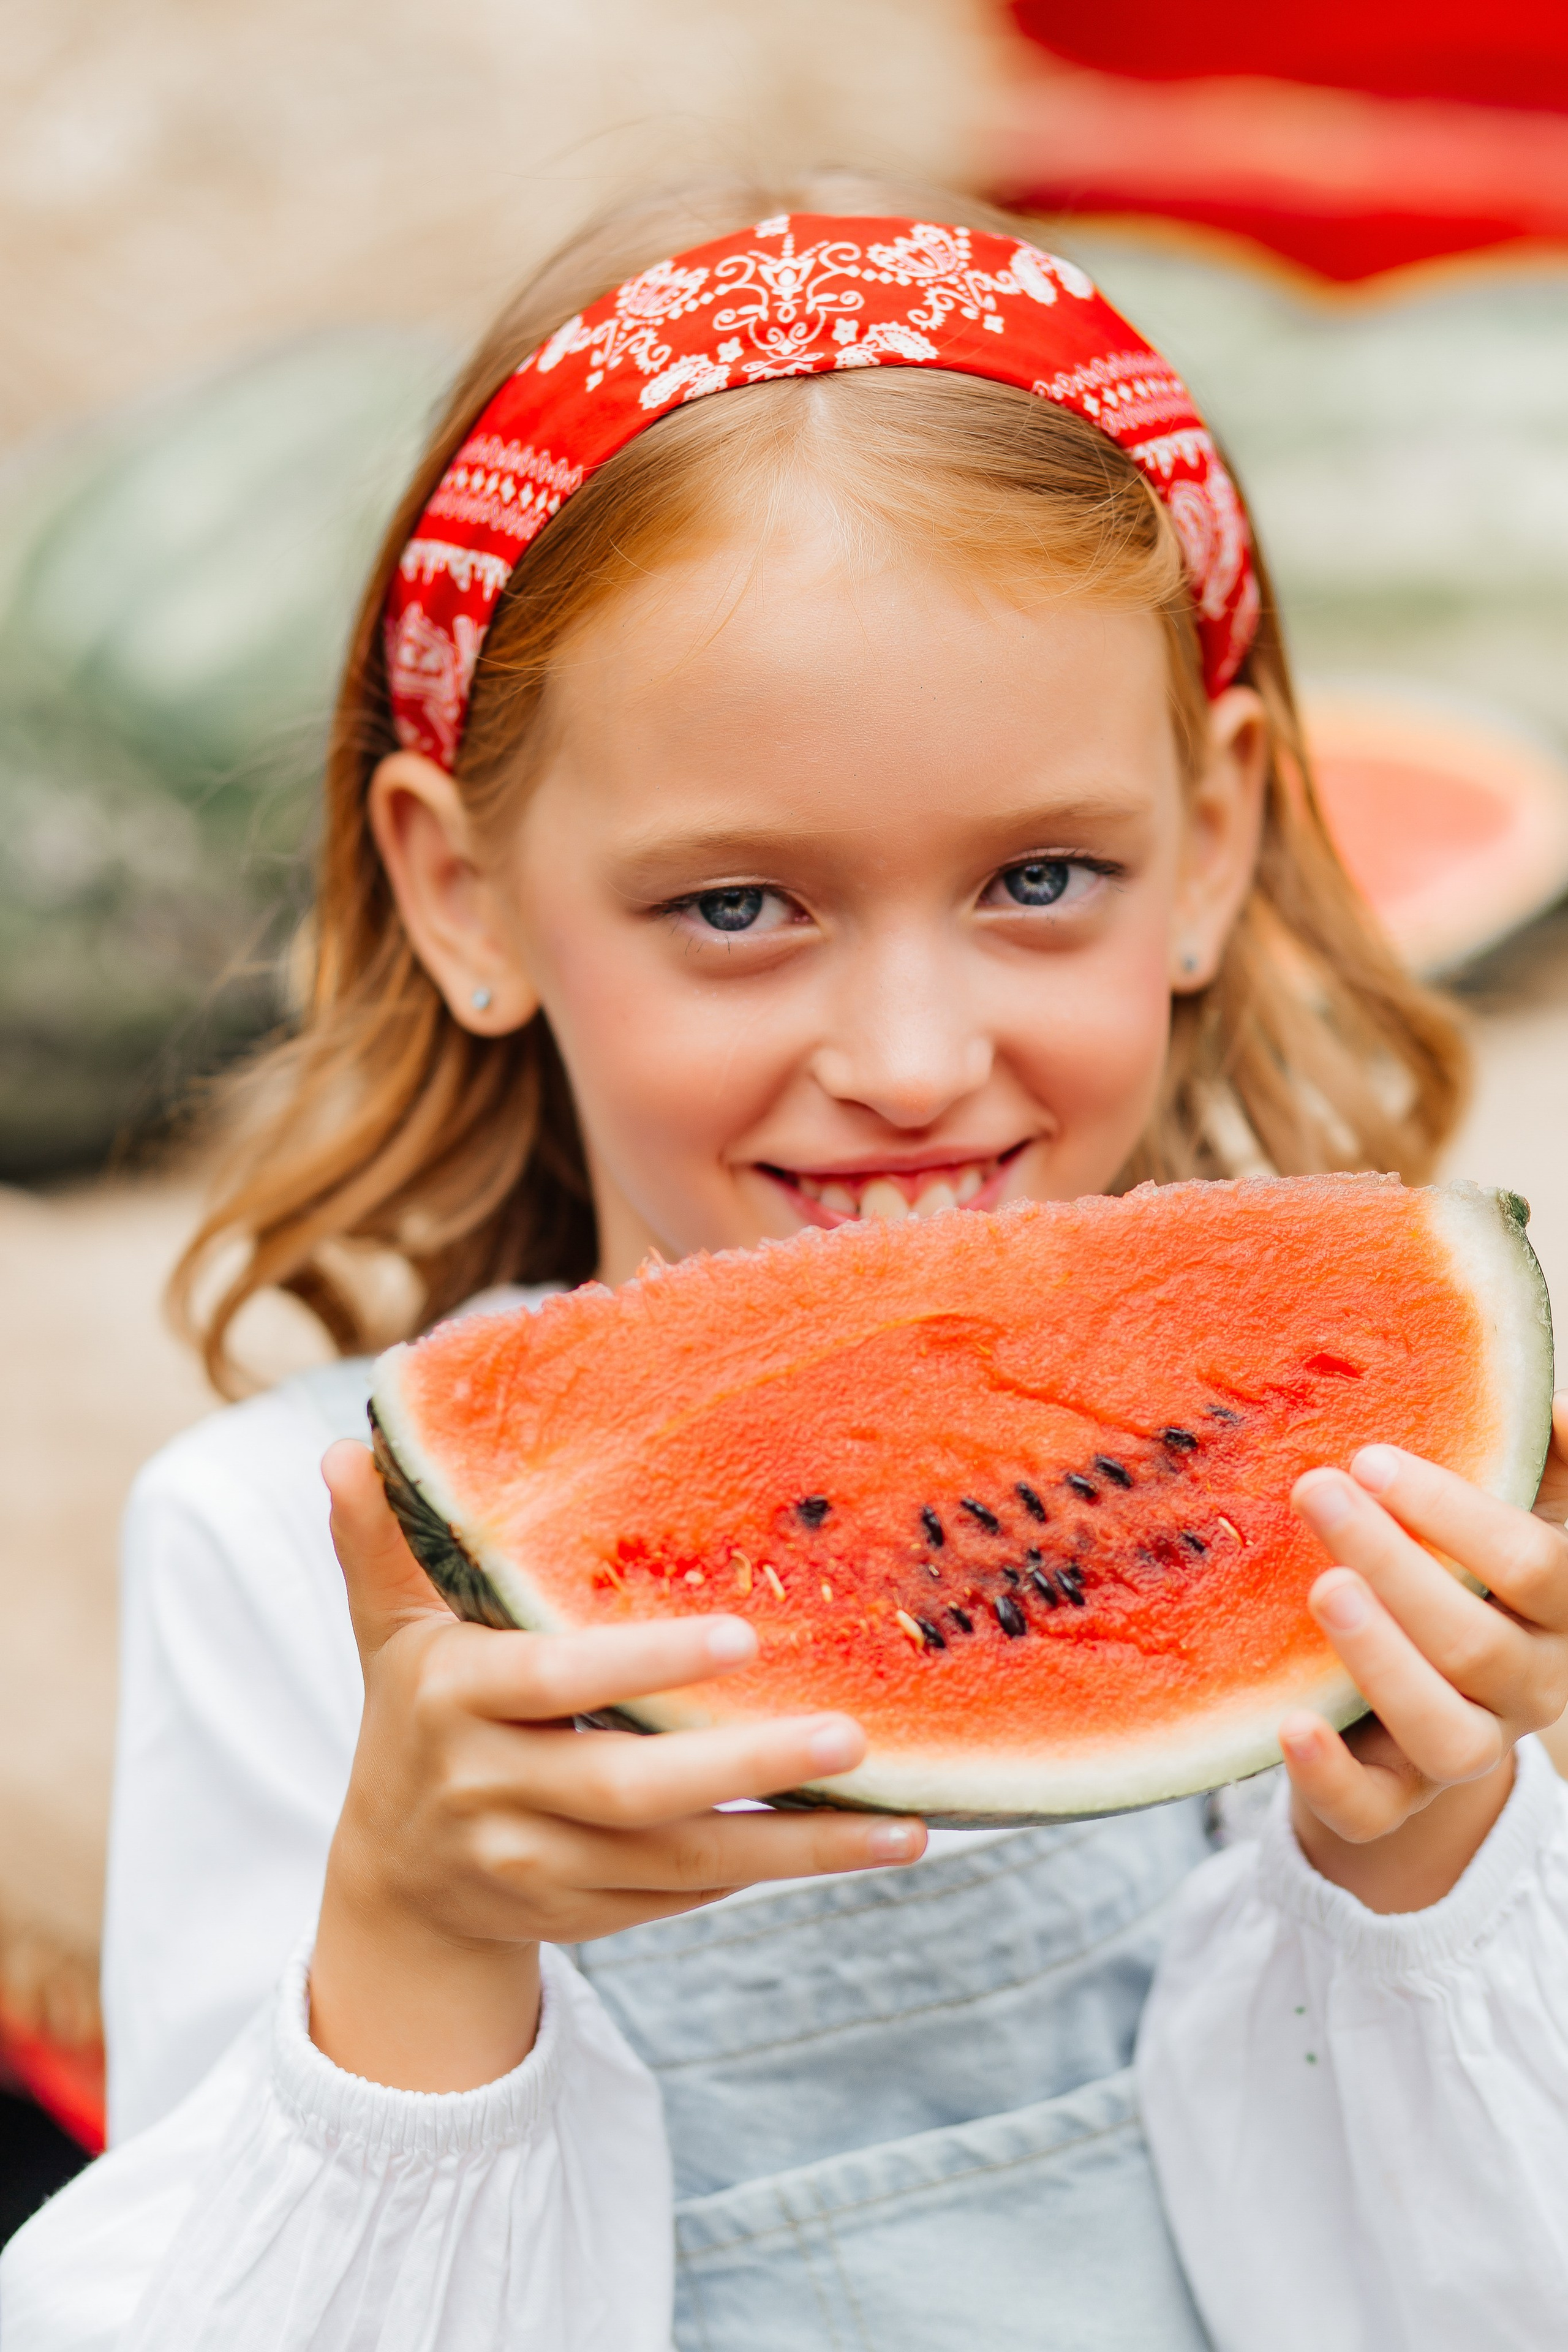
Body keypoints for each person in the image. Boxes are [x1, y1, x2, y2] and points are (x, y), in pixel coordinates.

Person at [5, 175, 1568, 2351]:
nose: (911, 1063)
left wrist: (1429, 1873)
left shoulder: (1368, 1501)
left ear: (1213, 842)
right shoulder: (286, 1558)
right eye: (737, 909)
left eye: (1042, 878)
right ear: (462, 895)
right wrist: (419, 1946)